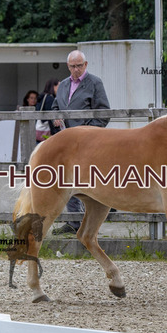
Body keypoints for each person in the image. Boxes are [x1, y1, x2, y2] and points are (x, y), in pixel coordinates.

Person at [51, 50, 111, 235]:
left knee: (89, 181)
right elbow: (56, 106)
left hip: (88, 142)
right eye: (72, 66)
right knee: (68, 179)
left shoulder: (95, 83)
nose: (75, 69)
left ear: (85, 65)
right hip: (67, 141)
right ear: (68, 66)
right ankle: (74, 221)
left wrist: (86, 133)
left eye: (79, 66)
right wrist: (56, 116)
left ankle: (91, 222)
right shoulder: (63, 84)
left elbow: (104, 113)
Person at [35, 78, 62, 142]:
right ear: (54, 86)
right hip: (48, 132)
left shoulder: (43, 97)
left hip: (40, 130)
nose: (61, 88)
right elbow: (51, 117)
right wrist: (56, 131)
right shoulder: (50, 99)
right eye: (59, 86)